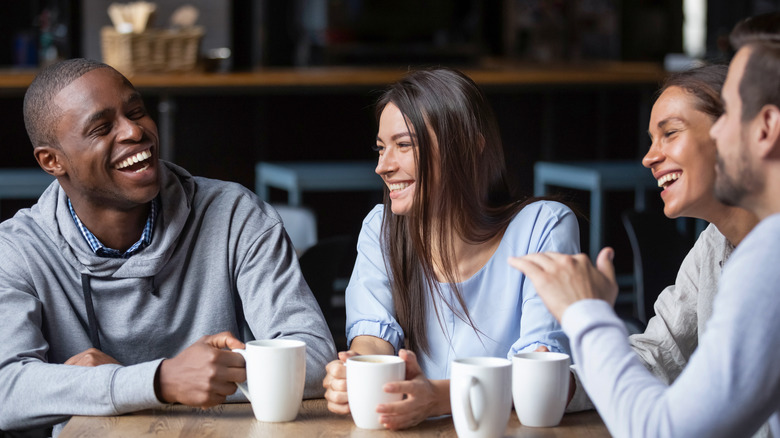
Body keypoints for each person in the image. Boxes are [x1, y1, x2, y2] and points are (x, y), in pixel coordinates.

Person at [0, 58, 336, 435]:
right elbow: (7, 391)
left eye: (137, 111)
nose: (133, 131)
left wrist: (127, 383)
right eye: (102, 127)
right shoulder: (16, 251)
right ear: (52, 160)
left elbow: (314, 357)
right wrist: (161, 381)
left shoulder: (236, 216)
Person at [509, 40, 780, 437]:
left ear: (763, 128)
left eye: (669, 133)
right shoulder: (716, 245)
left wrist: (585, 313)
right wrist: (566, 384)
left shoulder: (768, 256)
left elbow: (664, 429)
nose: (649, 158)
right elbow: (659, 352)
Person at [322, 67, 580, 429]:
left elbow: (539, 378)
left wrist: (437, 397)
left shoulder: (542, 227)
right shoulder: (382, 229)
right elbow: (372, 341)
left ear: (469, 148)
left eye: (404, 145)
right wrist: (357, 374)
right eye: (381, 148)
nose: (383, 166)